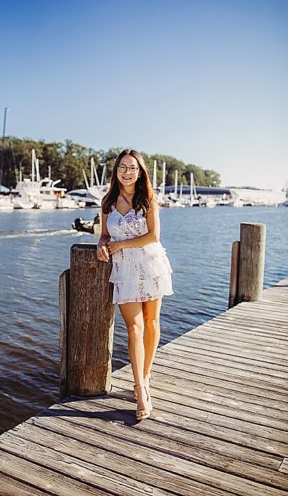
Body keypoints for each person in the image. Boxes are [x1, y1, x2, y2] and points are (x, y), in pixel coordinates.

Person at [96, 149, 173, 420]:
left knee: (151, 323)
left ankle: (146, 375)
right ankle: (140, 389)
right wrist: (102, 244)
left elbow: (153, 236)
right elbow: (105, 234)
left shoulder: (148, 199)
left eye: (132, 168)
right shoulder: (107, 202)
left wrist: (120, 244)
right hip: (125, 269)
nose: (127, 172)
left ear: (140, 172)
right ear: (116, 170)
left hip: (151, 265)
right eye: (122, 167)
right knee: (134, 327)